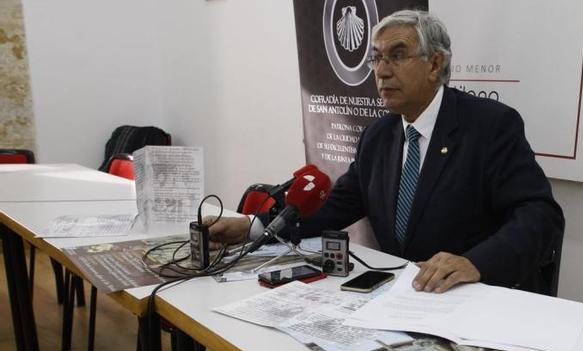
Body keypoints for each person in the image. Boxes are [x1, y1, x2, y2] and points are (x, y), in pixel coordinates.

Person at [209, 9, 563, 294]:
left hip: (472, 297)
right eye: (376, 59)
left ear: (435, 64)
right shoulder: (378, 136)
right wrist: (254, 228)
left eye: (397, 56)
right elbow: (333, 209)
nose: (381, 71)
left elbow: (540, 215)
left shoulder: (490, 125)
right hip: (403, 296)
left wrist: (475, 262)